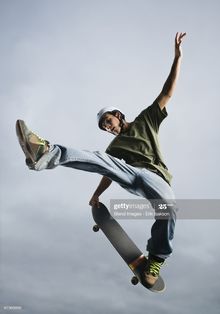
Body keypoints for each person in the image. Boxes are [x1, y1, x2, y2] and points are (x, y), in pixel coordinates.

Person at [16, 32, 186, 288]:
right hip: (131, 175)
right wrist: (96, 195)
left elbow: (168, 91)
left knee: (168, 209)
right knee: (101, 158)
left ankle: (157, 258)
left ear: (118, 114)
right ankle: (45, 153)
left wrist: (177, 57)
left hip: (156, 178)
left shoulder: (146, 119)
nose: (108, 128)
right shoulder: (115, 145)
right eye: (104, 127)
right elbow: (107, 171)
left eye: (108, 122)